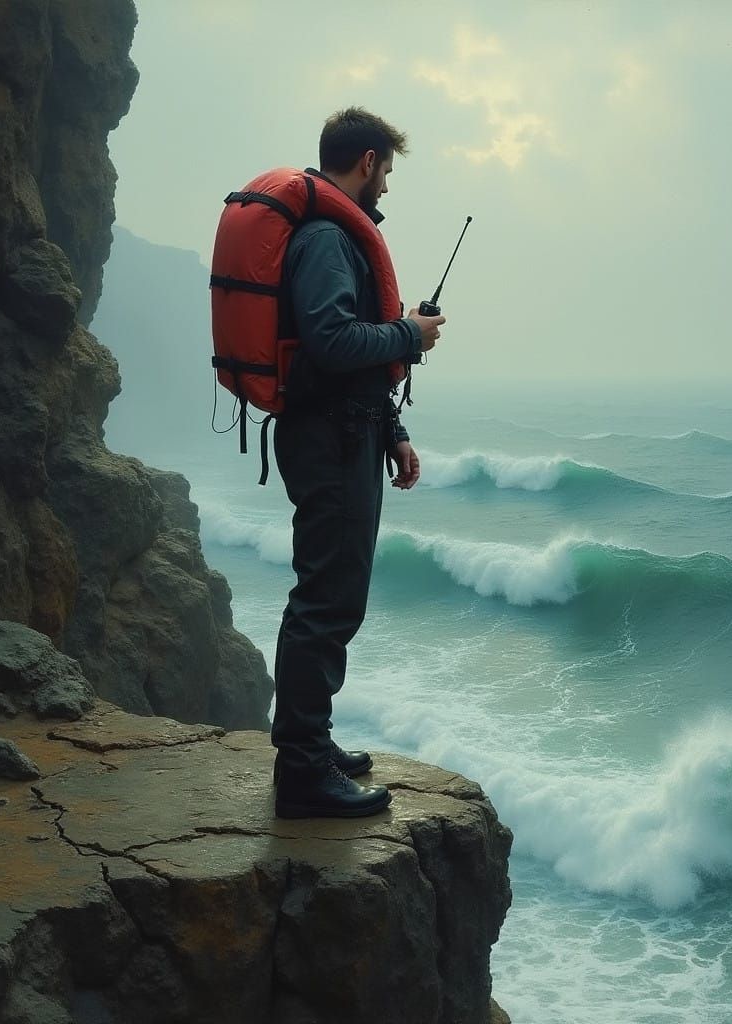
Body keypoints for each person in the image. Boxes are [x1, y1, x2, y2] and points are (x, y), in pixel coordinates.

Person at [271, 108, 446, 818]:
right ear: (368, 162)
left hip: (349, 432)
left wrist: (394, 431)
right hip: (329, 441)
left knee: (328, 596)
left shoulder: (334, 236)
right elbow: (332, 342)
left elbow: (347, 364)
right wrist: (410, 333)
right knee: (327, 603)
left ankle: (310, 744)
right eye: (388, 173)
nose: (386, 189)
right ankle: (304, 774)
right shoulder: (324, 240)